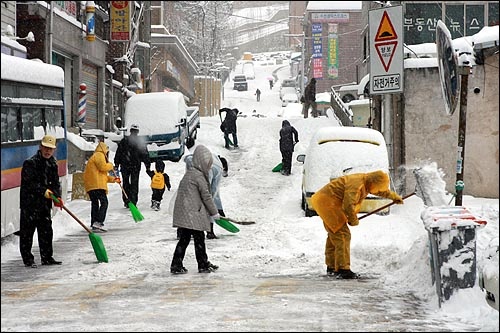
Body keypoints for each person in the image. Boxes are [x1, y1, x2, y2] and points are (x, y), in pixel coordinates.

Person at [310, 170, 403, 279]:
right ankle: (343, 269)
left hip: (326, 201)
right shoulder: (357, 184)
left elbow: (378, 190)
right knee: (343, 235)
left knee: (335, 234)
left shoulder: (367, 182)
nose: (377, 189)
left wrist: (393, 197)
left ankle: (331, 267)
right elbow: (348, 205)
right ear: (373, 182)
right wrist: (353, 219)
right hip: (328, 203)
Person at [170, 145, 220, 274]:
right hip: (191, 213)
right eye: (207, 164)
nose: (208, 167)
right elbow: (206, 196)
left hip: (188, 212)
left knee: (186, 238)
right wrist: (214, 212)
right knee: (198, 238)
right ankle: (202, 264)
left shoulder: (192, 173)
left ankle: (177, 264)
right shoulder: (198, 176)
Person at [19, 135, 64, 268]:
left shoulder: (52, 164)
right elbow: (29, 183)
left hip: (44, 205)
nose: (47, 151)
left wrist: (57, 196)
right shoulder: (30, 163)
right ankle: (28, 259)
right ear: (40, 147)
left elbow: (55, 183)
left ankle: (47, 257)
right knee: (27, 233)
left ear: (54, 150)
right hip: (30, 204)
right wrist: (43, 191)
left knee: (46, 231)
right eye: (45, 148)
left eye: (50, 149)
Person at [183, 137, 227, 239]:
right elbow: (213, 192)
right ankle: (210, 231)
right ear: (224, 168)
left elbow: (190, 159)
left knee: (189, 202)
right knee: (207, 201)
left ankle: (182, 231)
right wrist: (218, 210)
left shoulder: (211, 156)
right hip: (204, 172)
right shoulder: (218, 167)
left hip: (193, 168)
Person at [83, 141, 121, 232]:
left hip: (92, 185)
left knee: (95, 204)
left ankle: (94, 222)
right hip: (97, 186)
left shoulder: (94, 157)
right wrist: (111, 165)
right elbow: (103, 167)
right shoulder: (99, 155)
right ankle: (99, 222)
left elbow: (102, 176)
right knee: (104, 203)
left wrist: (114, 180)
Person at [114, 124, 151, 207]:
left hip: (125, 165)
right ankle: (133, 201)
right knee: (134, 183)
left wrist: (116, 163)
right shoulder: (139, 142)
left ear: (130, 131)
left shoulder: (124, 141)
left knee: (126, 183)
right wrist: (147, 166)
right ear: (137, 132)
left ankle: (127, 200)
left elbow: (118, 153)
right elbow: (145, 155)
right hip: (135, 166)